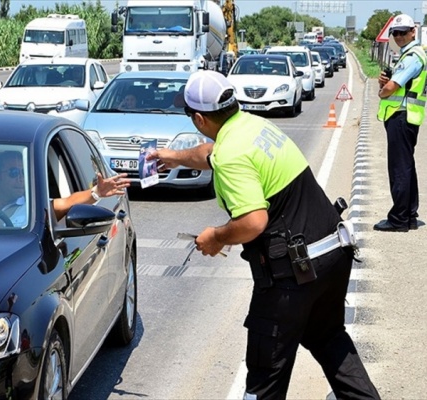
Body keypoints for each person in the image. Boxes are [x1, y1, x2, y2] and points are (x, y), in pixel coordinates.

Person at [147, 70, 380, 399]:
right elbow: (208, 154)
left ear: (199, 118)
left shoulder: (229, 154)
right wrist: (171, 157)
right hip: (332, 255)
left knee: (264, 378)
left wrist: (215, 236)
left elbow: (253, 221)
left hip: (293, 276)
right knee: (330, 341)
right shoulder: (251, 126)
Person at [375, 13, 426, 232]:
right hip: (405, 117)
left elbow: (392, 88)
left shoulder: (414, 55)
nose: (399, 36)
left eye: (403, 32)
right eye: (395, 33)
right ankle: (410, 215)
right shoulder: (408, 55)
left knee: (399, 169)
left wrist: (382, 91)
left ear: (413, 31)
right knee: (406, 166)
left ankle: (398, 219)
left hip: (401, 117)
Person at [0, 151, 129, 225]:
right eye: (13, 173)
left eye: (24, 172)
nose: (21, 178)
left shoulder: (35, 207)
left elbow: (68, 202)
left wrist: (97, 192)